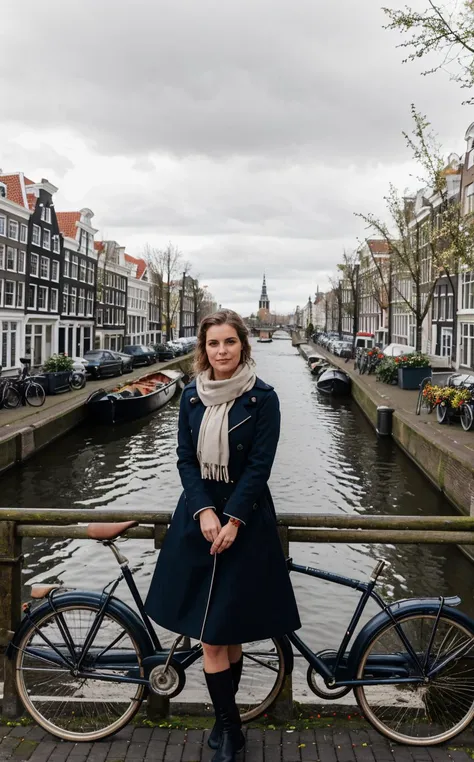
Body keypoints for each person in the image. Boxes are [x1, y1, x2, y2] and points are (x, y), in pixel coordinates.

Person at [145, 309, 300, 762]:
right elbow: (185, 460)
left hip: (245, 522)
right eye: (213, 344)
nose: (222, 351)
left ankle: (226, 729)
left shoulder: (264, 399)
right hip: (198, 521)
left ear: (243, 345)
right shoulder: (191, 395)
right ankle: (229, 728)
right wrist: (204, 510)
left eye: (229, 342)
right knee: (214, 636)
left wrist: (232, 519)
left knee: (225, 634)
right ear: (203, 348)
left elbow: (259, 467)